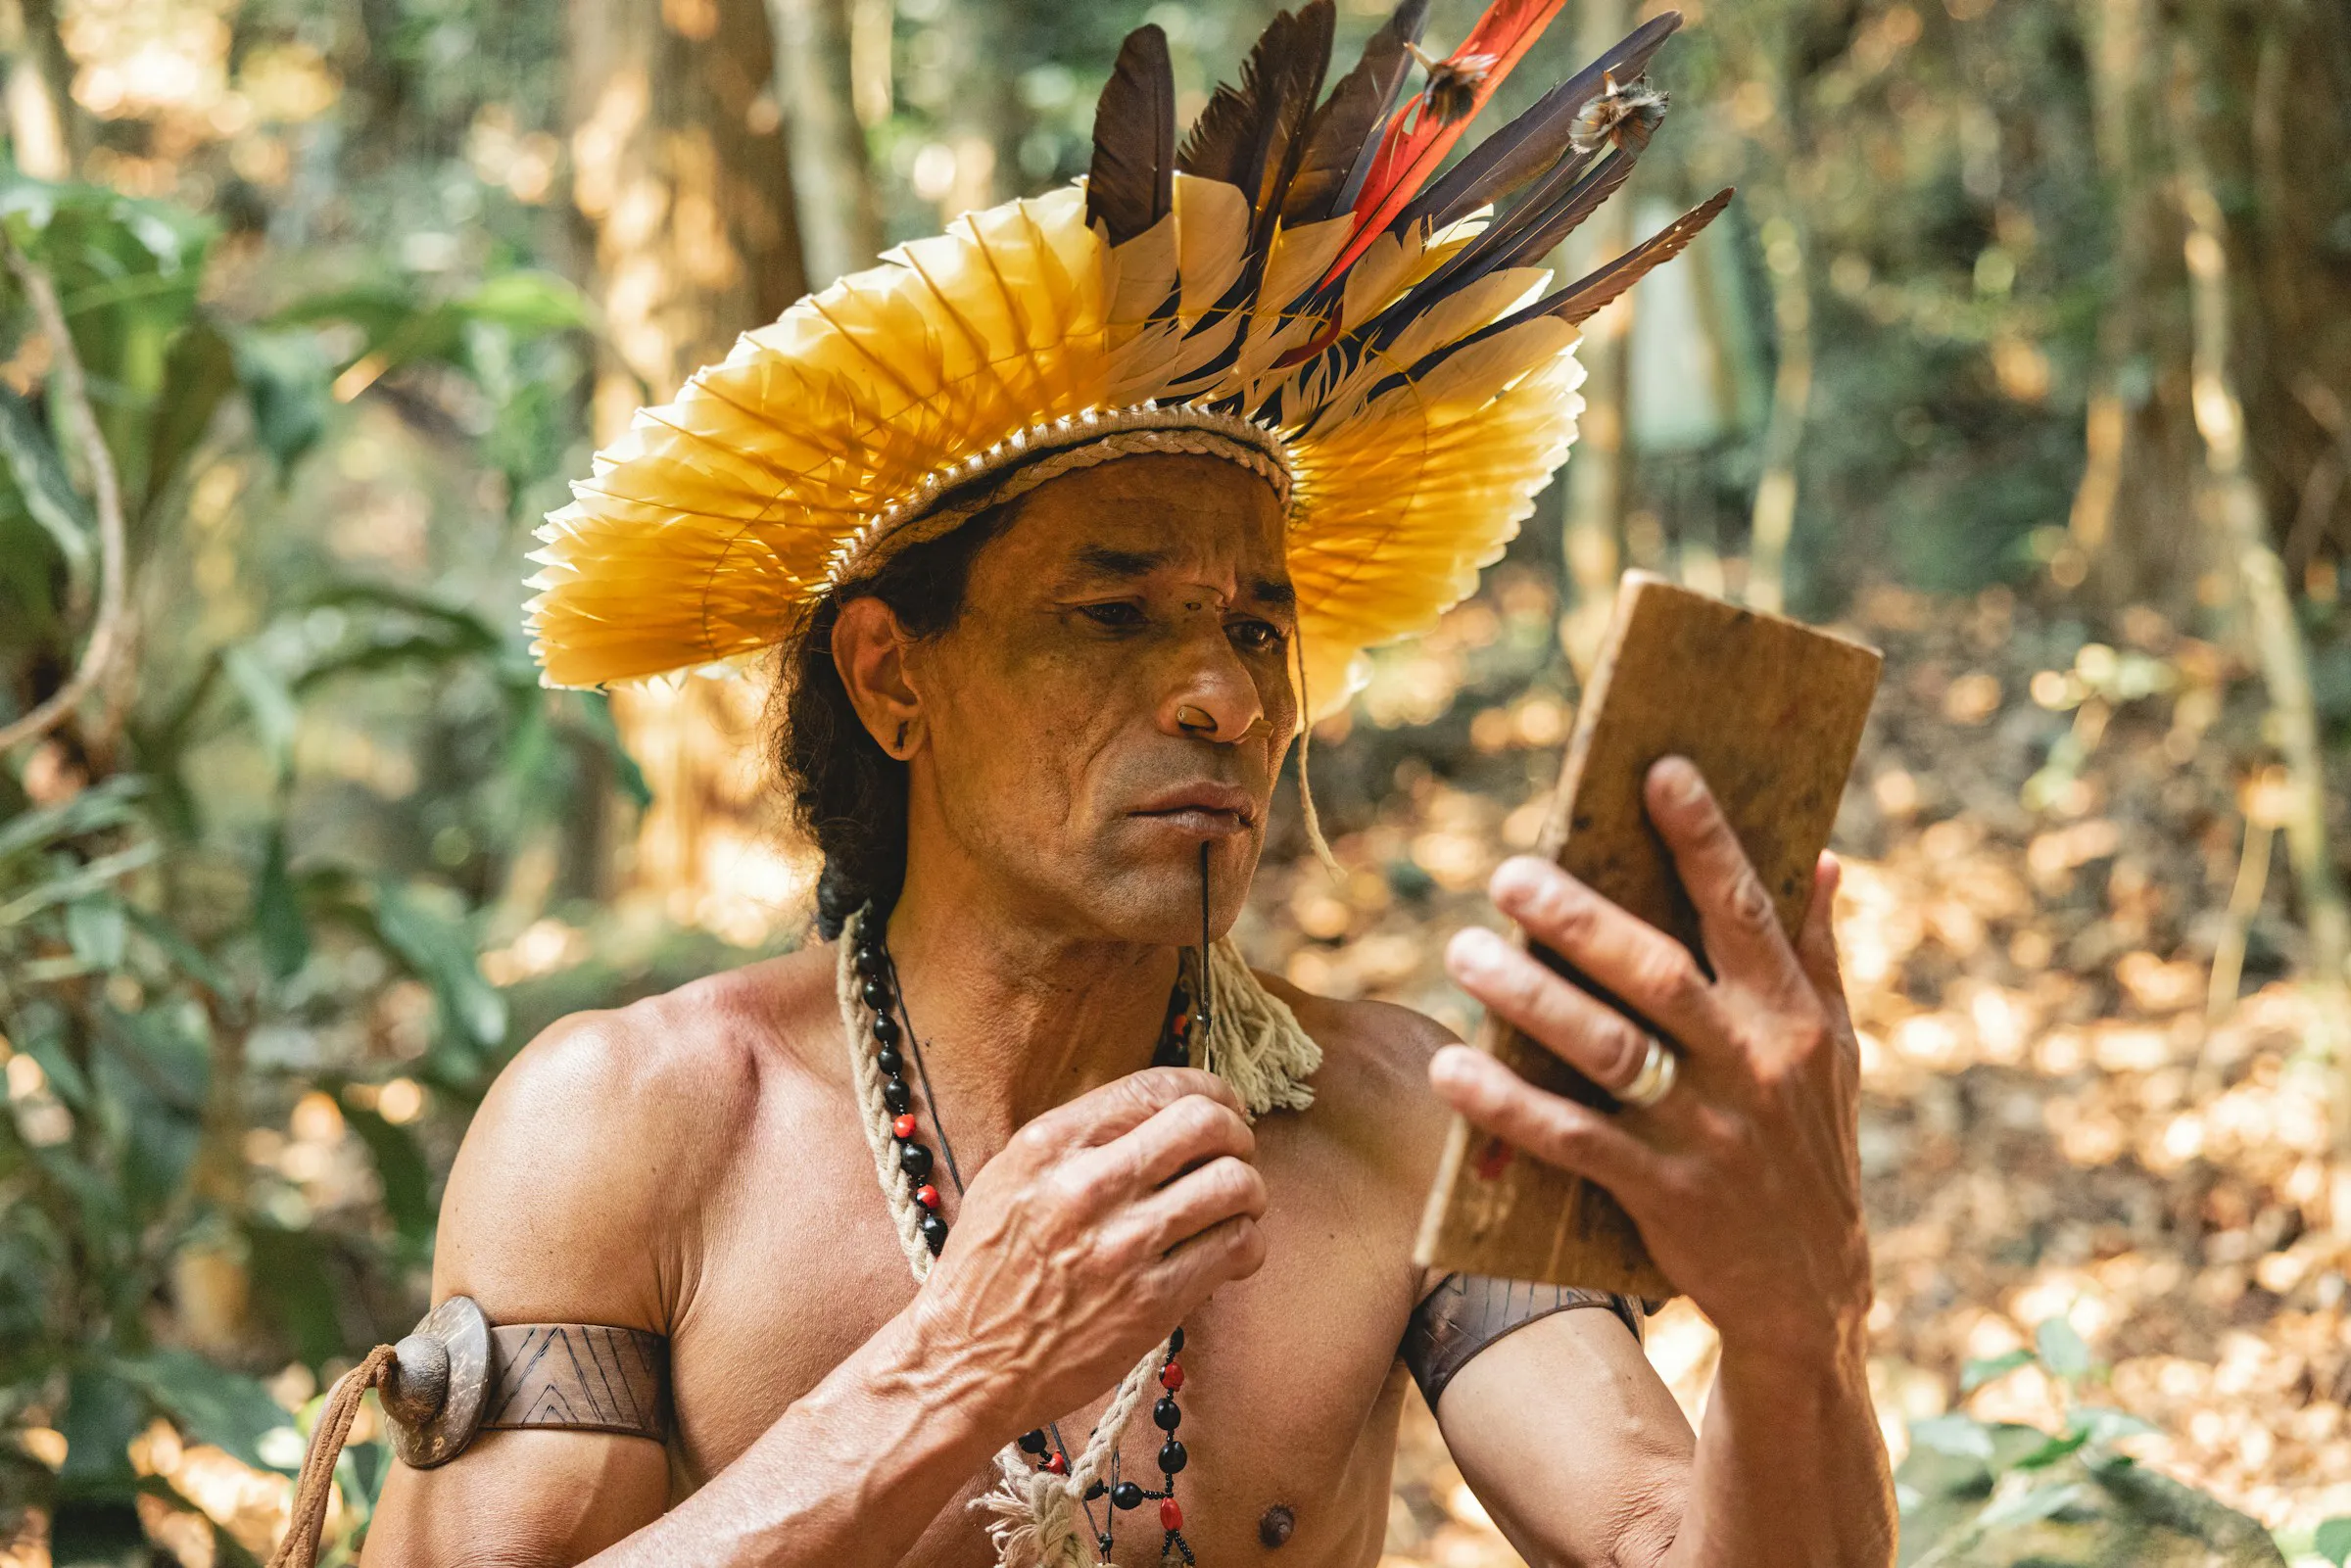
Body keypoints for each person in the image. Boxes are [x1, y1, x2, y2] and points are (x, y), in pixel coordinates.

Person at [360, 5, 1895, 1565]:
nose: (1225, 695)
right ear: (894, 677)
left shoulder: (1394, 1128)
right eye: (1111, 616)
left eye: (1256, 625)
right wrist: (950, 1374)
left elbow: (1666, 1541)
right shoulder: (626, 1126)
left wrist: (1798, 1324)